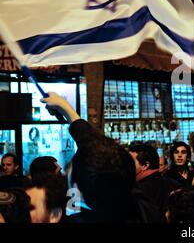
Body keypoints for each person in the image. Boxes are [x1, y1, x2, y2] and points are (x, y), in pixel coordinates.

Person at [41, 92, 147, 223]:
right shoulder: (136, 202)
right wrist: (65, 107)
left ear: (77, 191)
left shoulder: (76, 215)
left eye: (68, 171)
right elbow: (90, 144)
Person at [128, 143, 181, 219]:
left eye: (131, 162)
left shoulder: (137, 191)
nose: (127, 165)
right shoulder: (174, 184)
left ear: (145, 165)